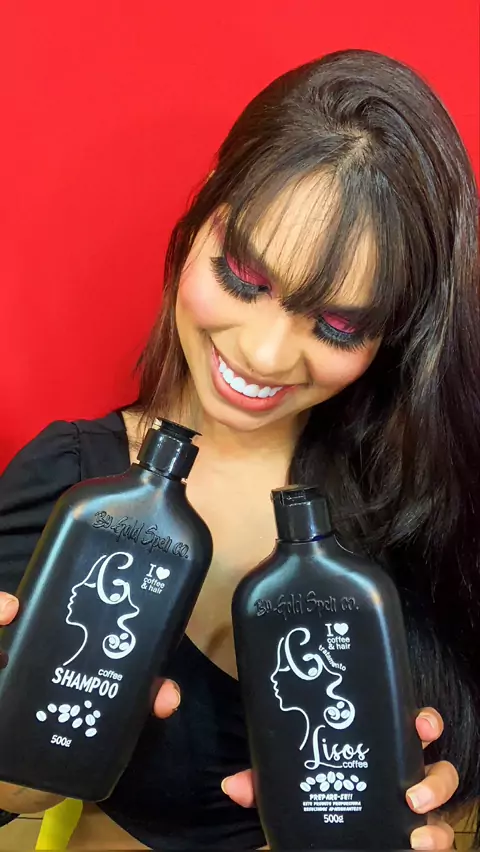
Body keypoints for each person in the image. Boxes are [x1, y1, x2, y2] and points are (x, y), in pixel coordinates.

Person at [0, 47, 478, 851]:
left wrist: (438, 816)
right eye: (245, 278)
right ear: (201, 221)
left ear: (395, 335)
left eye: (337, 325)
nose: (263, 352)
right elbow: (14, 790)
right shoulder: (69, 484)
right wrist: (17, 769)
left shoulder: (418, 513)